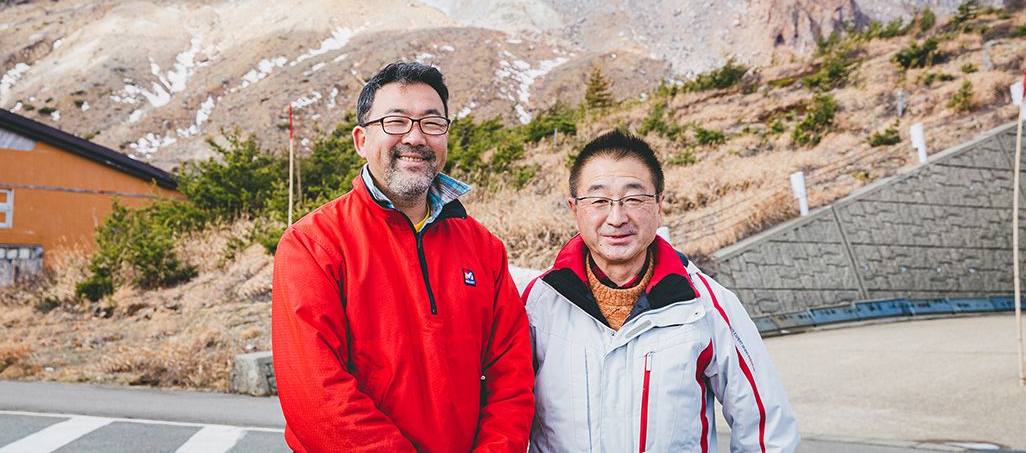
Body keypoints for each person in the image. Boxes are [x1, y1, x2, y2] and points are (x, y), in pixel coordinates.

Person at [272, 61, 534, 452]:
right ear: (361, 140)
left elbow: (511, 377)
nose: (415, 137)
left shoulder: (484, 248)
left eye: (432, 123)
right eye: (395, 122)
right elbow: (316, 395)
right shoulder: (313, 244)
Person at [522, 129, 799, 452]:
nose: (616, 217)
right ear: (575, 209)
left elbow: (766, 430)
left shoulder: (707, 304)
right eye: (599, 201)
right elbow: (505, 407)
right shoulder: (539, 303)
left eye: (634, 199)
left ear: (659, 204)